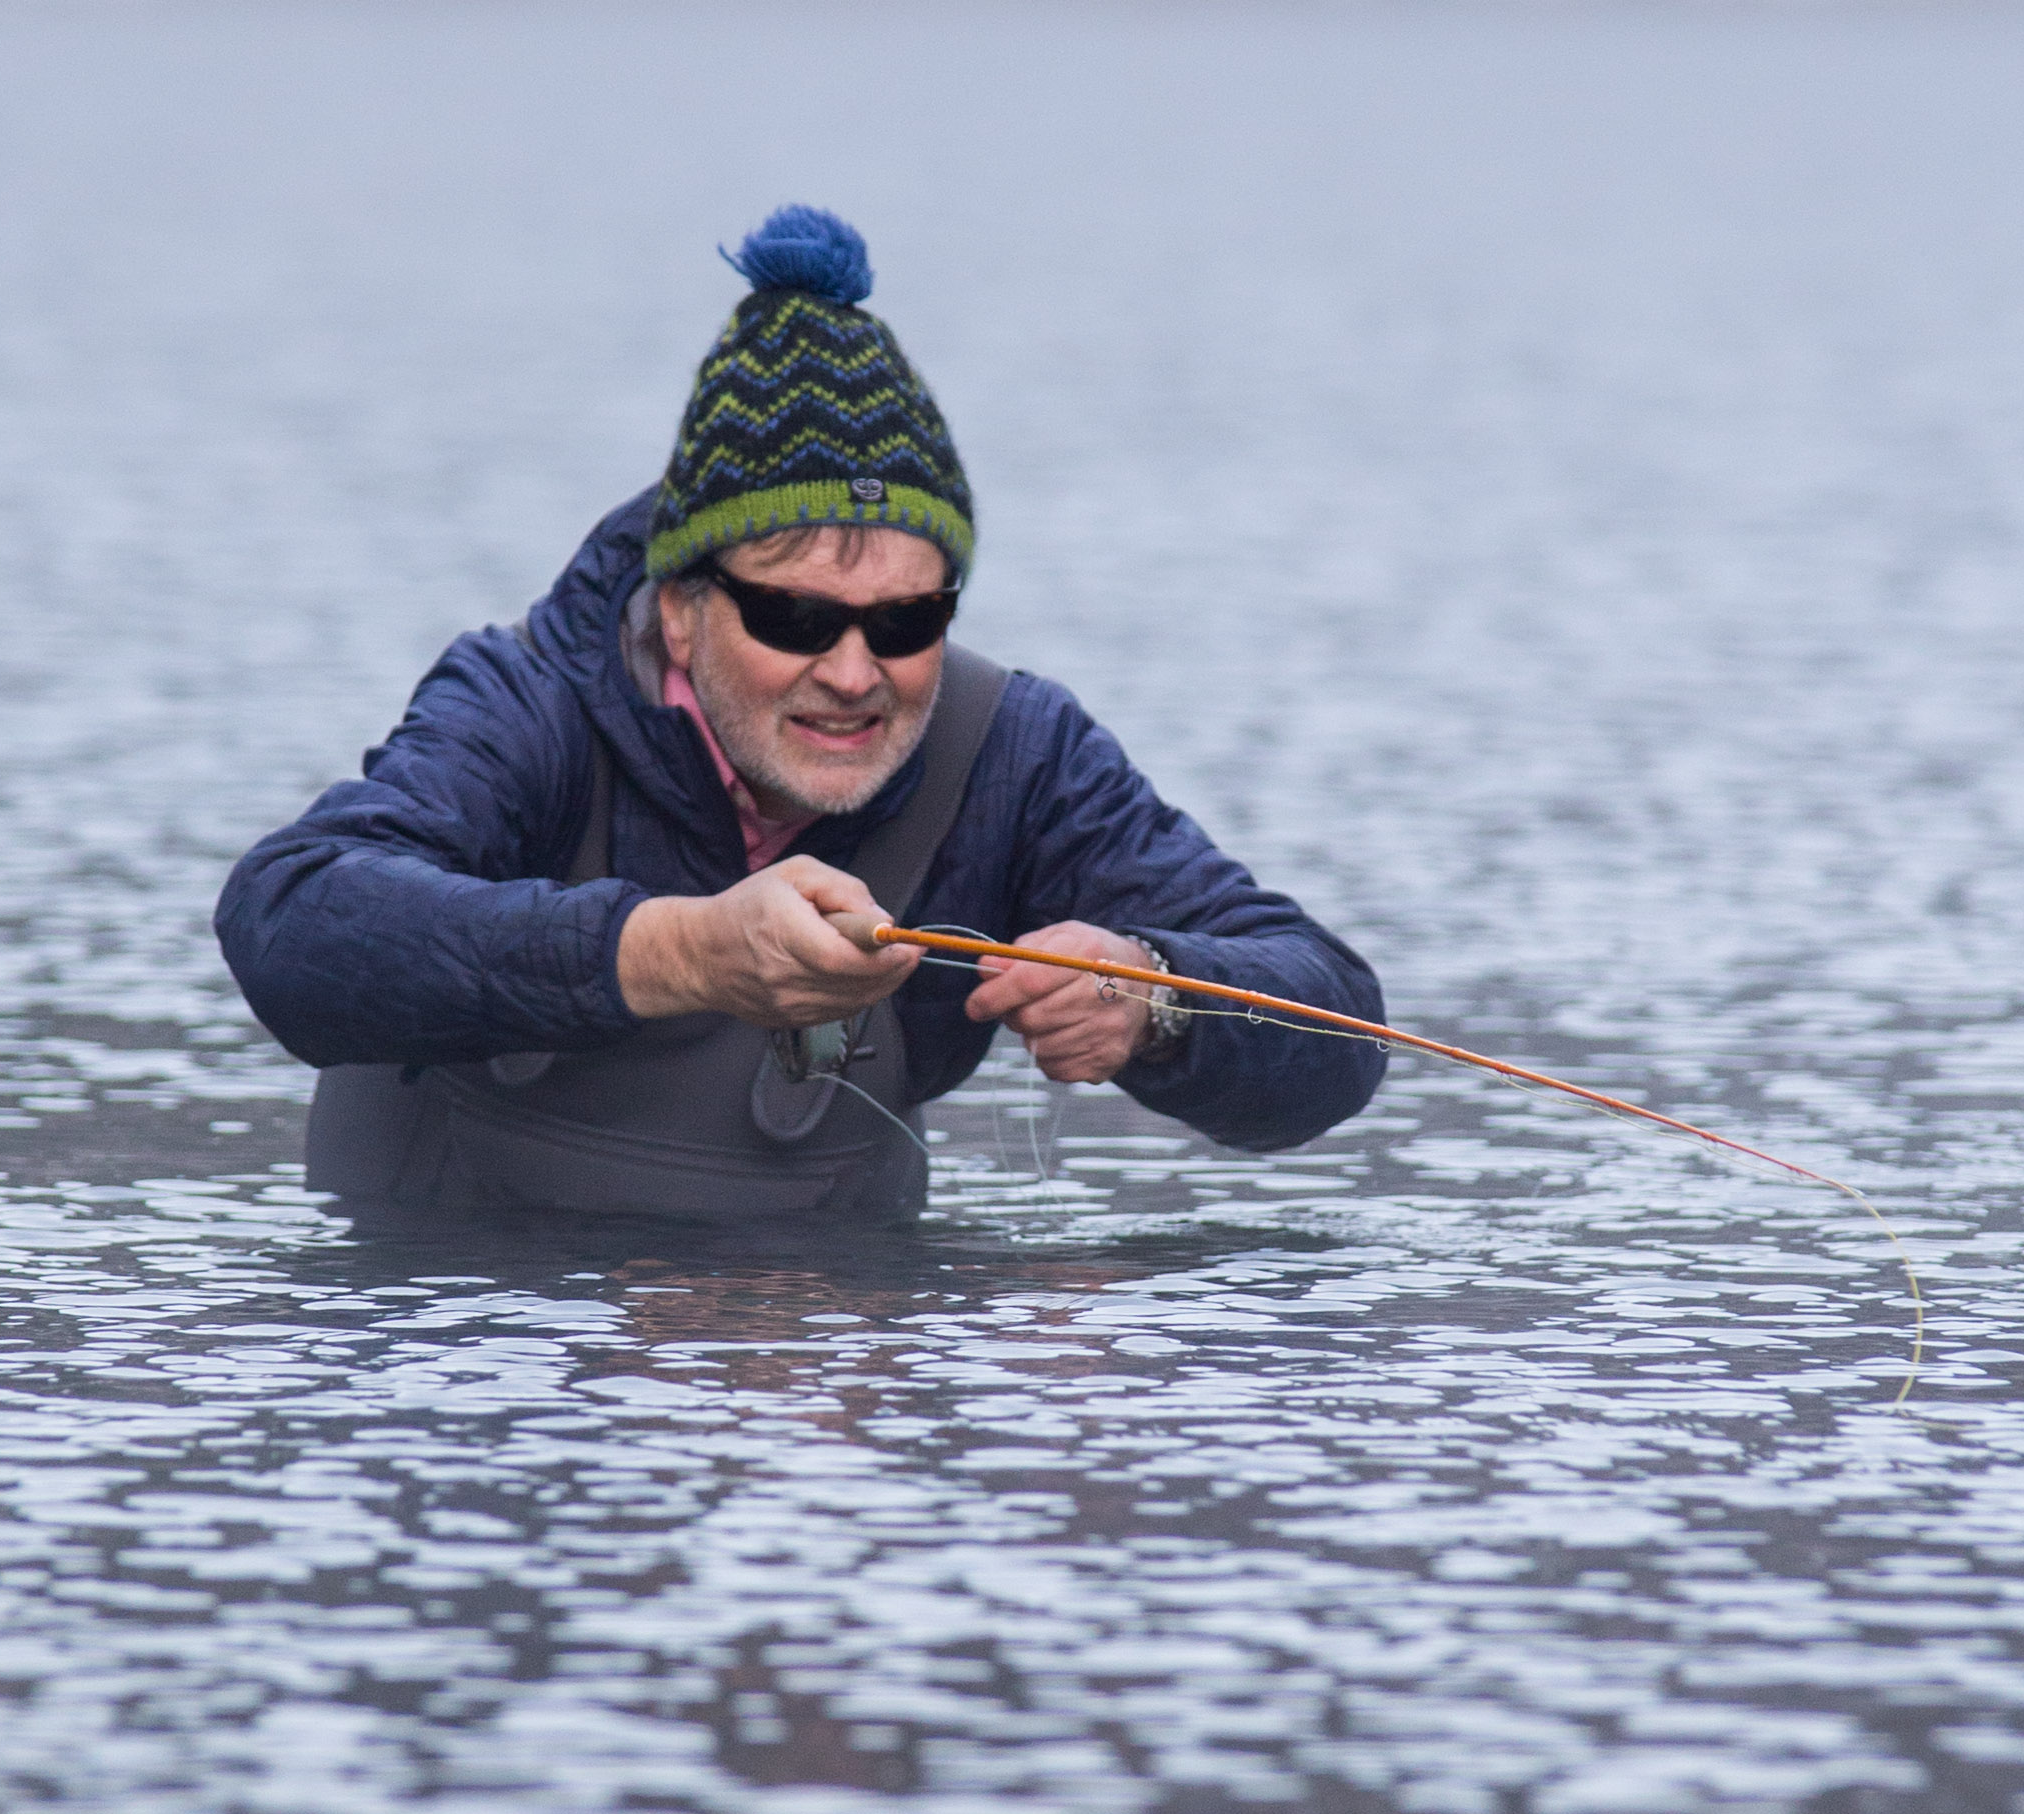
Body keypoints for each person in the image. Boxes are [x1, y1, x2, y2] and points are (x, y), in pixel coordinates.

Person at [216, 206, 1387, 1221]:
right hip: (490, 1361)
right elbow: (291, 919)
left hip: (847, 1399)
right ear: (679, 611)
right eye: (792, 618)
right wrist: (685, 951)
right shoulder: (531, 700)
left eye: (905, 621)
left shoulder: (1016, 755)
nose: (852, 671)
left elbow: (1340, 1022)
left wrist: (1157, 996)